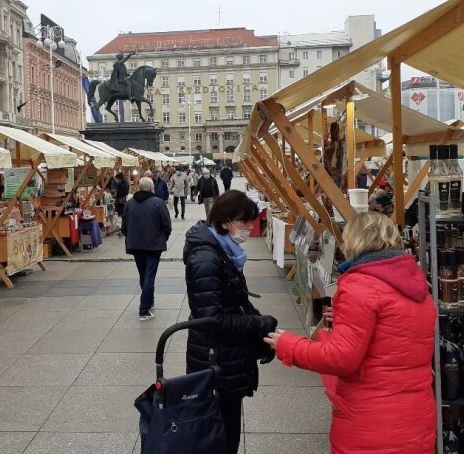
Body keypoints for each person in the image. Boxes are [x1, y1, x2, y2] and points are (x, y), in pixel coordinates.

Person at [264, 212, 436, 454]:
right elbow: (393, 337)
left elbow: (341, 358)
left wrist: (288, 345)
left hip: (371, 424)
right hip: (416, 418)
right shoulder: (414, 284)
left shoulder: (361, 285)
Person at [183, 190, 278, 454]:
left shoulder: (224, 251)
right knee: (221, 434)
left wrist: (261, 333)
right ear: (225, 222)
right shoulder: (207, 256)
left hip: (226, 357)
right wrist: (259, 325)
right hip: (215, 359)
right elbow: (211, 319)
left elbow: (234, 302)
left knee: (226, 429)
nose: (249, 227)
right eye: (244, 221)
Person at [121, 177, 171, 321]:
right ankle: (144, 310)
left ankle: (148, 300)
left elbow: (124, 226)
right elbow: (166, 225)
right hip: (153, 245)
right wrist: (162, 237)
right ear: (151, 189)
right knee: (149, 275)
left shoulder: (129, 204)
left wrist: (131, 237)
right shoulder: (158, 203)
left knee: (143, 274)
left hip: (135, 245)